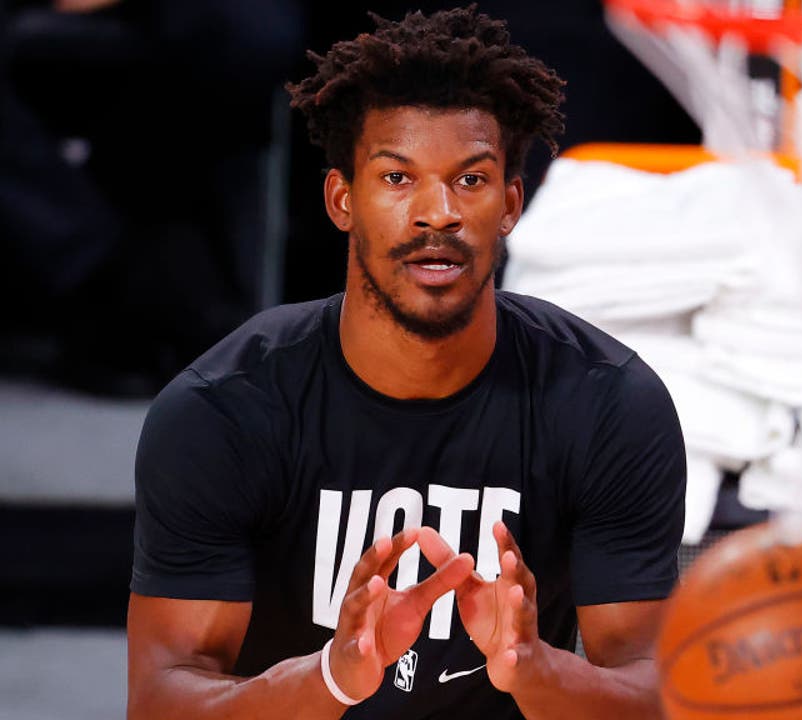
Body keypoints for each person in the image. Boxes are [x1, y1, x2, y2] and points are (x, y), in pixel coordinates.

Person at [125, 8, 686, 719]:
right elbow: (159, 702)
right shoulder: (224, 410)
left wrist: (534, 668)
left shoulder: (607, 404)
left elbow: (658, 700)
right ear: (342, 199)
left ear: (511, 203)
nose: (437, 213)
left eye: (471, 180)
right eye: (397, 178)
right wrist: (330, 678)